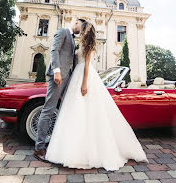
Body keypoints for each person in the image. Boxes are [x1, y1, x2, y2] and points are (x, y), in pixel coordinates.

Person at [45, 20, 148, 171]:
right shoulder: (79, 43)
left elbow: (86, 66)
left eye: (82, 27)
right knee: (75, 112)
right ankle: (72, 146)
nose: (79, 30)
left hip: (83, 77)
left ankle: (82, 152)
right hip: (75, 76)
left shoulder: (89, 46)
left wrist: (85, 84)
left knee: (85, 111)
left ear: (85, 30)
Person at [33, 19, 83, 161]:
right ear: (76, 22)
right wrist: (56, 71)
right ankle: (39, 148)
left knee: (65, 109)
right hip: (58, 76)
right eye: (82, 26)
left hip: (67, 77)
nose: (82, 29)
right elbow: (54, 50)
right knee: (49, 109)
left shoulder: (73, 39)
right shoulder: (63, 32)